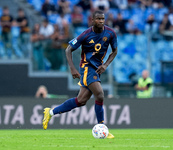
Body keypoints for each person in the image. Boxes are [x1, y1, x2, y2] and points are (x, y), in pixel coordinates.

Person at [42, 10, 118, 139]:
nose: (101, 21)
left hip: (97, 68)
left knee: (81, 100)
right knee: (99, 94)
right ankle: (102, 127)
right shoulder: (86, 35)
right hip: (87, 67)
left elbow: (115, 51)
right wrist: (72, 68)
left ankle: (50, 112)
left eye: (103, 19)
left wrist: (105, 65)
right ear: (92, 20)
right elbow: (68, 49)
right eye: (98, 19)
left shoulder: (110, 33)